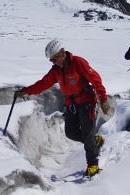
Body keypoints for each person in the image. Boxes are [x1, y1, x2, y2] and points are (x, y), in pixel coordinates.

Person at [14, 39, 110, 177]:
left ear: (63, 52)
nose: (54, 62)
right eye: (51, 61)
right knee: (71, 133)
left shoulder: (78, 62)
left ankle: (93, 165)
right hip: (72, 104)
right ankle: (95, 141)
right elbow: (43, 84)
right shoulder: (56, 71)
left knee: (88, 133)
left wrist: (103, 99)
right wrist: (26, 91)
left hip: (87, 102)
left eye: (55, 59)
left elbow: (95, 79)